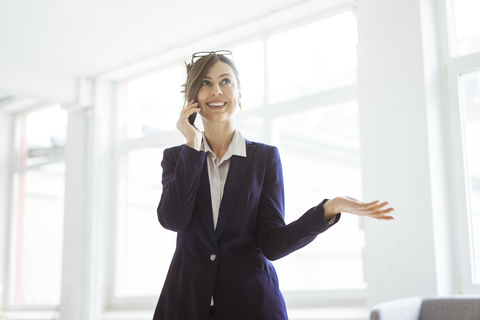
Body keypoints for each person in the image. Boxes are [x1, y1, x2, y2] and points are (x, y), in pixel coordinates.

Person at [153, 50, 394, 320]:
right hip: (186, 305)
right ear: (193, 98)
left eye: (226, 81)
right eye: (205, 83)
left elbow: (272, 243)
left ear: (239, 94)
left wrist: (328, 209)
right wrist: (192, 146)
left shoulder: (264, 158)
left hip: (252, 305)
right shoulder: (177, 157)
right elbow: (173, 219)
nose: (216, 90)